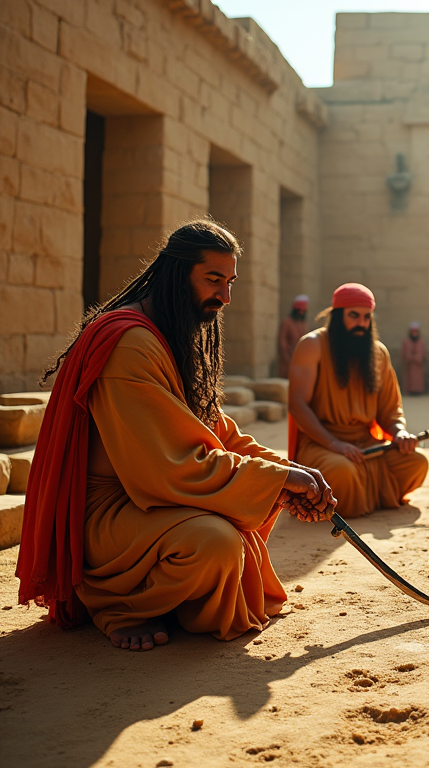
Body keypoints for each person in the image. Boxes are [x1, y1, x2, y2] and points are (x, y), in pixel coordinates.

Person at [16, 220, 335, 652]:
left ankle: (171, 596)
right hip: (110, 513)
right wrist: (276, 481)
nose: (224, 296)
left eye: (230, 282)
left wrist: (287, 471)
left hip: (153, 498)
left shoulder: (169, 333)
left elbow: (215, 430)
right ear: (176, 273)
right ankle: (117, 605)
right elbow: (172, 463)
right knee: (216, 543)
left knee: (240, 516)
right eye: (213, 279)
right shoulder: (128, 343)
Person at [288, 283, 428, 518]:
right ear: (337, 315)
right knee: (343, 472)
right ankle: (364, 497)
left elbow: (390, 410)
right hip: (321, 443)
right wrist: (334, 444)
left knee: (416, 463)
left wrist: (400, 432)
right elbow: (298, 405)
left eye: (366, 317)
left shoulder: (378, 353)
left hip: (366, 446)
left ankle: (366, 496)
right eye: (354, 316)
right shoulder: (312, 345)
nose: (361, 323)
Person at [277, 294, 309, 377]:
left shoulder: (303, 324)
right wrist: (287, 358)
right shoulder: (287, 323)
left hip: (302, 361)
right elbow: (282, 342)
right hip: (289, 360)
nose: (302, 313)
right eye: (300, 310)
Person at [401, 321, 428, 395]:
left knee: (418, 379)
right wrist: (410, 358)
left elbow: (423, 354)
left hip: (418, 366)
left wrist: (418, 358)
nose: (414, 333)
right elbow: (404, 354)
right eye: (413, 332)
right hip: (409, 366)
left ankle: (418, 391)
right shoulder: (406, 341)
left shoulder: (421, 342)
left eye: (416, 332)